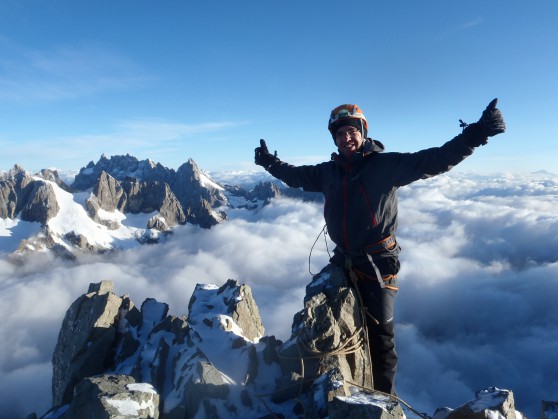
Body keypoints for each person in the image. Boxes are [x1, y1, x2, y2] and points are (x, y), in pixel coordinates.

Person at [254, 99, 506, 395]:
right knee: (320, 311)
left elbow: (435, 159)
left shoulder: (385, 166)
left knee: (381, 336)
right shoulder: (329, 172)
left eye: (351, 131)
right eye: (339, 134)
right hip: (344, 259)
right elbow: (296, 176)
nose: (346, 138)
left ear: (362, 132)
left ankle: (383, 399)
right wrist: (269, 162)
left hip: (378, 263)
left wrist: (476, 134)